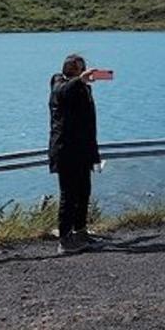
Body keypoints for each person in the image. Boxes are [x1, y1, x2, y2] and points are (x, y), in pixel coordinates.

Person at [49, 53, 103, 254]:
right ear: (69, 68)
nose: (84, 71)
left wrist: (93, 153)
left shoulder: (82, 89)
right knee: (68, 195)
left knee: (83, 193)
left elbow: (89, 124)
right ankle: (64, 239)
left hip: (82, 151)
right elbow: (61, 92)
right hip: (66, 150)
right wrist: (80, 81)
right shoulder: (58, 82)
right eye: (80, 68)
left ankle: (80, 232)